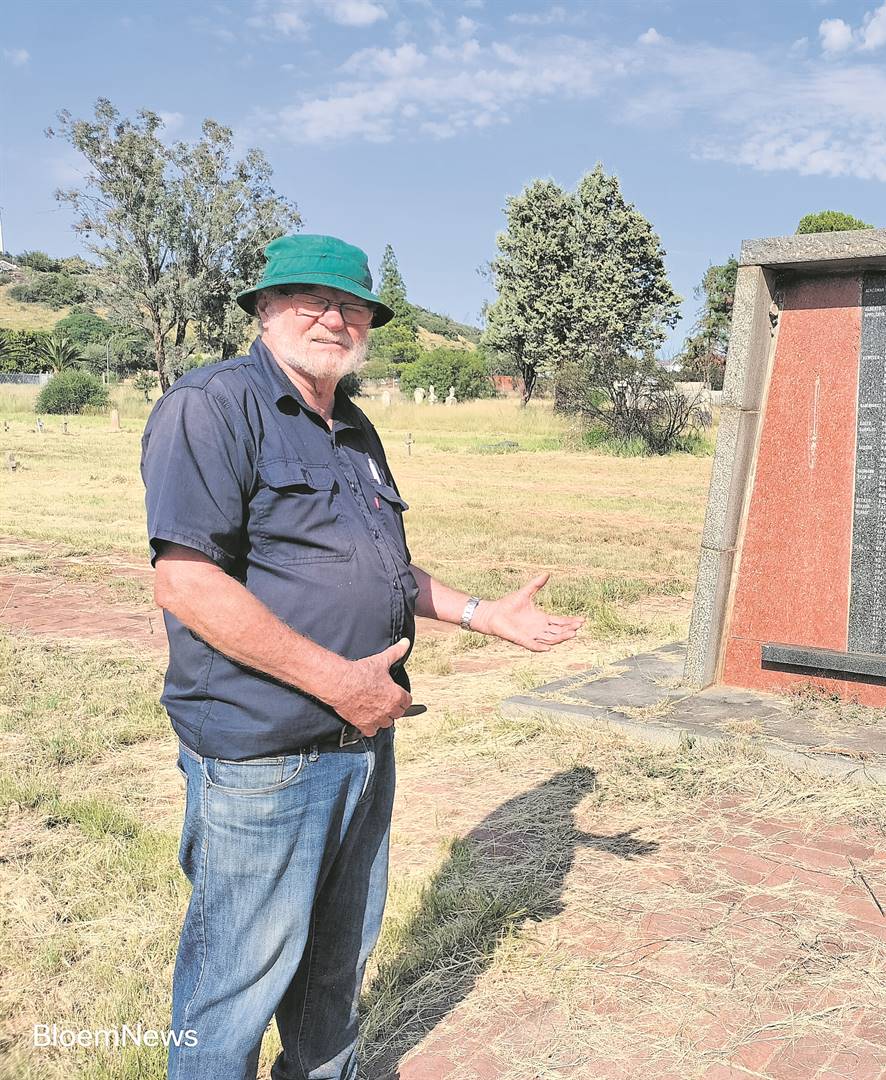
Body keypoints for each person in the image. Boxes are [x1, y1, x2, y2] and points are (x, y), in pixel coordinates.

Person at [141, 234, 583, 1079]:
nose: (333, 319)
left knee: (334, 971)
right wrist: (340, 682)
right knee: (234, 984)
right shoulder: (212, 406)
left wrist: (483, 615)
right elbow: (187, 584)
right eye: (310, 299)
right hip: (264, 755)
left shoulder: (352, 425)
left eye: (351, 306)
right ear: (264, 309)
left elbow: (382, 566)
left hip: (363, 743)